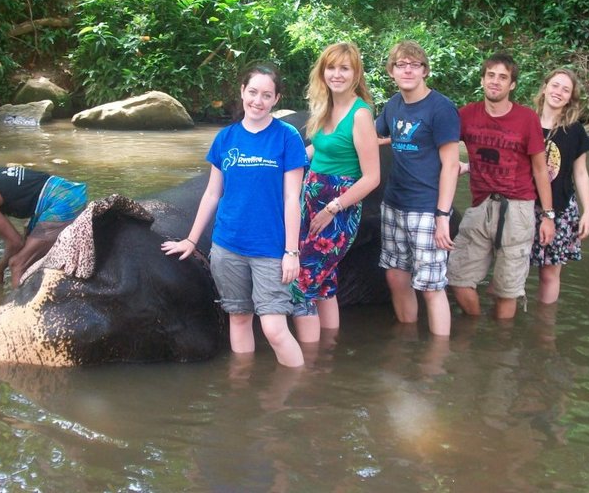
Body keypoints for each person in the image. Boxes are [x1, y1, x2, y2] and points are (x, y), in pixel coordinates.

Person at [161, 61, 306, 368]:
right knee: (239, 319)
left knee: (274, 329)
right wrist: (191, 240)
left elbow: (292, 198)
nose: (258, 101)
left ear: (277, 99)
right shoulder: (226, 138)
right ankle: (242, 388)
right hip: (228, 246)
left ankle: (301, 391)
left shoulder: (287, 137)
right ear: (242, 92)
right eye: (252, 92)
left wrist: (291, 252)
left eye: (267, 95)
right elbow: (213, 193)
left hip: (270, 248)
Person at [447, 52, 555, 320]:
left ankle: (501, 340)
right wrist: (384, 140)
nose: (495, 81)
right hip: (480, 206)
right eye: (491, 75)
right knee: (457, 278)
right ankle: (476, 325)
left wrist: (548, 216)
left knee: (508, 291)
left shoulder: (527, 118)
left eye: (503, 77)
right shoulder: (466, 114)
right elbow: (436, 141)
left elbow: (540, 169)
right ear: (482, 80)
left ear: (512, 84)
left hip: (518, 209)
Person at [290, 42, 380, 343]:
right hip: (310, 202)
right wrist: (281, 163)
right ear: (322, 71)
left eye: (344, 68)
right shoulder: (324, 106)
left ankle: (307, 359)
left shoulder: (360, 114)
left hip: (338, 210)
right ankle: (328, 352)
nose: (337, 74)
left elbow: (372, 178)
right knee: (325, 283)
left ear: (356, 74)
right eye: (331, 68)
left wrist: (333, 208)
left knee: (302, 282)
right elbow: (319, 149)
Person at [375, 40, 460, 336]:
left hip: (426, 208)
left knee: (431, 286)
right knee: (396, 276)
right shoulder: (393, 105)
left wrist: (442, 216)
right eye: (401, 65)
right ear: (392, 71)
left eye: (415, 65)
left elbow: (451, 164)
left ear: (425, 70)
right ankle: (406, 342)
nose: (408, 70)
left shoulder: (441, 108)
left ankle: (439, 356)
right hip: (393, 203)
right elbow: (374, 136)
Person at [530, 68, 589, 303]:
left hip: (560, 209)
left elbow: (581, 173)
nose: (558, 92)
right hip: (524, 206)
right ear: (545, 88)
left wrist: (588, 211)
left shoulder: (574, 130)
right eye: (555, 85)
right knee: (512, 268)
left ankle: (544, 323)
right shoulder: (527, 122)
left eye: (566, 90)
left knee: (549, 275)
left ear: (570, 98)